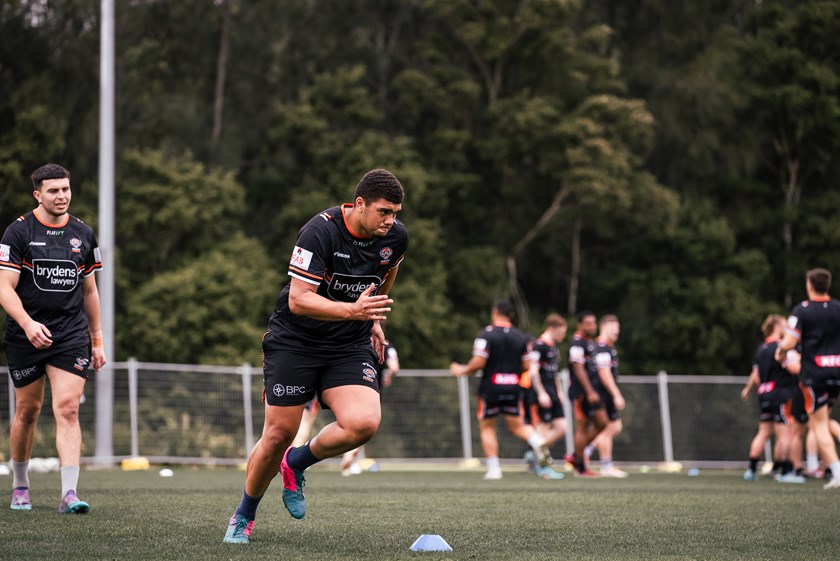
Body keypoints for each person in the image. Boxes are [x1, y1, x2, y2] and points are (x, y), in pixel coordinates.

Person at [224, 169, 409, 544]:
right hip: (296, 341)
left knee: (363, 423)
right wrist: (354, 311)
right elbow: (299, 299)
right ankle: (244, 514)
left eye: (395, 213)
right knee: (277, 435)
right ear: (359, 204)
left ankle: (296, 464)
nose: (391, 221)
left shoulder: (395, 238)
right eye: (383, 212)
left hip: (348, 344)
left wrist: (370, 316)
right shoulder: (319, 231)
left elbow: (386, 275)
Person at [0, 163, 106, 514]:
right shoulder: (18, 233)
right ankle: (20, 484)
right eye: (53, 190)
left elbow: (90, 291)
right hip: (25, 335)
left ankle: (69, 494)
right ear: (37, 194)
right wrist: (28, 324)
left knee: (68, 408)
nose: (61, 196)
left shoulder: (84, 234)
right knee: (28, 411)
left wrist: (97, 340)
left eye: (66, 189)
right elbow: (4, 289)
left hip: (70, 335)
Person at [450, 300, 551, 480]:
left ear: (495, 312)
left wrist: (462, 370)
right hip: (513, 386)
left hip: (491, 388)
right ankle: (538, 441)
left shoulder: (486, 335)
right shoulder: (521, 337)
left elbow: (478, 362)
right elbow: (527, 364)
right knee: (518, 425)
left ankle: (494, 469)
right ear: (511, 315)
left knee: (487, 427)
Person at [775, 268, 840, 490]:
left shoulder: (802, 310)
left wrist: (781, 352)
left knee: (818, 425)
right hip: (836, 372)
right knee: (825, 421)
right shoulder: (838, 308)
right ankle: (828, 468)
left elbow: (790, 341)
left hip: (815, 374)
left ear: (809, 285)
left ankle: (838, 473)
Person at [740, 314, 806, 484]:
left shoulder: (761, 349)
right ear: (777, 327)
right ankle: (785, 472)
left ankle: (751, 470)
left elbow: (756, 375)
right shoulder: (781, 347)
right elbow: (793, 368)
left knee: (763, 432)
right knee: (785, 433)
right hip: (780, 394)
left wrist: (747, 390)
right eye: (785, 326)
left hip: (764, 394)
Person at [340, 339, 399, 475]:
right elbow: (394, 367)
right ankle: (351, 458)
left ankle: (351, 458)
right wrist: (388, 376)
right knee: (364, 427)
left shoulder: (358, 340)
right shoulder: (387, 345)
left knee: (350, 422)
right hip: (372, 392)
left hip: (351, 387)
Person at [524, 314, 567, 479]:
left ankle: (534, 453)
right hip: (542, 393)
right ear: (552, 328)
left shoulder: (553, 348)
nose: (562, 335)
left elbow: (554, 373)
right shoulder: (539, 346)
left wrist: (560, 392)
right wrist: (541, 393)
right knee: (542, 429)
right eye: (561, 332)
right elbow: (533, 372)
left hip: (553, 393)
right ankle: (542, 467)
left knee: (561, 428)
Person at [585, 315, 628, 478]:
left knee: (614, 426)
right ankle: (605, 465)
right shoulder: (602, 347)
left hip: (603, 395)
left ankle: (586, 451)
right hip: (602, 395)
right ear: (604, 327)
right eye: (614, 329)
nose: (617, 333)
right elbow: (604, 372)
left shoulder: (607, 347)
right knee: (609, 427)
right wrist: (616, 394)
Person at [564, 311, 606, 477]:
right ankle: (580, 467)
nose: (591, 326)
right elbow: (578, 368)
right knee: (583, 425)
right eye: (588, 323)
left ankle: (575, 455)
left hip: (593, 391)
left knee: (602, 422)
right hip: (581, 391)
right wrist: (589, 391)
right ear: (580, 325)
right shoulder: (577, 343)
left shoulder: (590, 343)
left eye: (593, 323)